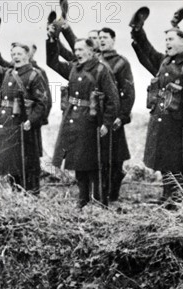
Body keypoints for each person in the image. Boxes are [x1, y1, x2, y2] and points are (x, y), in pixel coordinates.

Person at [131, 26, 183, 205]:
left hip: (179, 123)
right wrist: (138, 31)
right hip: (162, 120)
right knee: (164, 161)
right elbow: (148, 49)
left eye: (171, 39)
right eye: (166, 40)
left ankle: (181, 198)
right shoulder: (164, 62)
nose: (167, 43)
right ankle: (167, 195)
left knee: (180, 163)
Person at [47, 37, 120, 208]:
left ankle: (98, 200)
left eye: (80, 50)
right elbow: (52, 61)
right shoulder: (74, 69)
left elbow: (113, 99)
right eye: (75, 50)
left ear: (91, 50)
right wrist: (51, 40)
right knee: (78, 162)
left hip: (91, 122)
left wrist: (106, 123)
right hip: (74, 120)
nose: (77, 53)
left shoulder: (101, 70)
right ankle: (83, 198)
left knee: (93, 163)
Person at [0, 42, 50, 193]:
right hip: (6, 124)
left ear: (27, 55)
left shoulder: (34, 75)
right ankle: (16, 195)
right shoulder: (7, 73)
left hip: (22, 124)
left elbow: (42, 102)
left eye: (19, 54)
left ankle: (31, 194)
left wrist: (31, 120)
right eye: (13, 54)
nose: (16, 57)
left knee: (26, 161)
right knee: (10, 162)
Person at [96, 27, 134, 202]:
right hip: (96, 116)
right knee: (98, 157)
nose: (102, 40)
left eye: (105, 37)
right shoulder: (93, 60)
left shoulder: (121, 63)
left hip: (114, 117)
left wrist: (122, 116)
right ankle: (99, 194)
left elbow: (128, 91)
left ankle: (112, 195)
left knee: (115, 158)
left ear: (113, 40)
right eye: (99, 37)